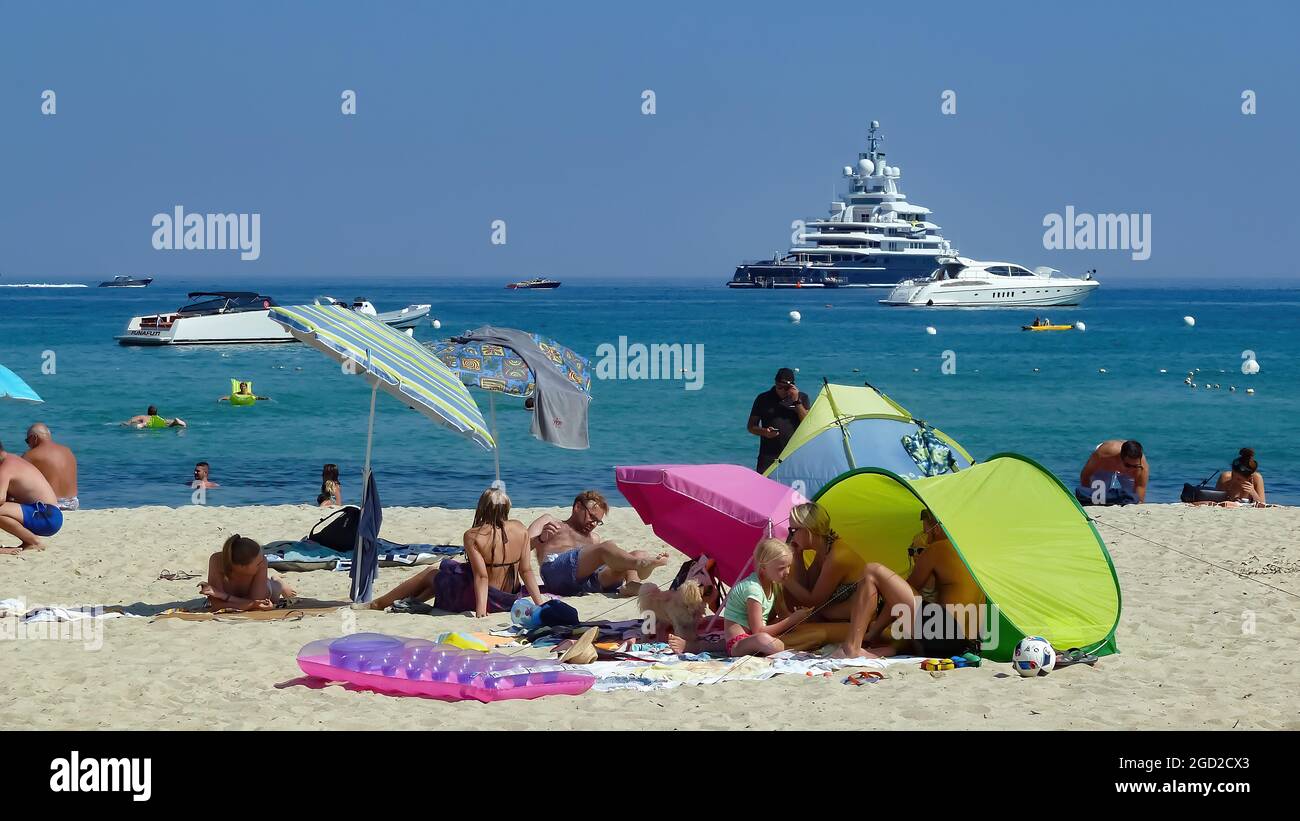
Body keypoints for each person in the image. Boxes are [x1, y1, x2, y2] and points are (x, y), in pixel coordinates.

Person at [367, 486, 546, 617]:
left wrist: (481, 611)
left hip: (484, 598)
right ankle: (413, 603)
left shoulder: (474, 535)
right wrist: (539, 603)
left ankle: (379, 603)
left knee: (432, 574)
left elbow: (482, 576)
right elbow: (526, 570)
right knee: (445, 570)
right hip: (508, 599)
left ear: (482, 507)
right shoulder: (521, 529)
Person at [528, 490, 667, 598]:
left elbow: (598, 568)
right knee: (606, 548)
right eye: (591, 517)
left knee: (637, 554)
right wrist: (540, 539)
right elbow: (520, 548)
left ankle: (631, 584)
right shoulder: (550, 522)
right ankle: (640, 564)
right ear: (577, 507)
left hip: (585, 582)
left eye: (597, 521)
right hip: (555, 572)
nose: (593, 524)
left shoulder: (593, 538)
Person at [905, 509, 985, 655]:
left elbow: (905, 590)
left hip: (947, 637)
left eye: (926, 532)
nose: (928, 540)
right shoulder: (972, 552)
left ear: (936, 528)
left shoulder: (937, 548)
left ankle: (870, 635)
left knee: (876, 572)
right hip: (974, 644)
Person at [722, 537, 810, 657]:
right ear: (763, 568)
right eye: (781, 568)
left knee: (798, 633)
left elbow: (783, 614)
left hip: (755, 638)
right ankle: (786, 648)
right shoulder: (753, 590)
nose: (788, 572)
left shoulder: (773, 584)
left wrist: (798, 616)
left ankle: (783, 647)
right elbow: (758, 630)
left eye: (789, 566)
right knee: (762, 639)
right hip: (739, 643)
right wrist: (792, 619)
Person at [779, 502, 864, 622]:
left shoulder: (836, 557)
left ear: (808, 529)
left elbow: (813, 603)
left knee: (805, 632)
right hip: (840, 617)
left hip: (860, 620)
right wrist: (798, 556)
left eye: (793, 530)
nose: (791, 535)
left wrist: (783, 578)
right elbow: (808, 587)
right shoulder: (824, 549)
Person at [832, 562, 921, 659]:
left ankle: (852, 648)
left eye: (918, 550)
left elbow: (816, 599)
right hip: (931, 637)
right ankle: (875, 637)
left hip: (933, 628)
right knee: (894, 590)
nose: (914, 555)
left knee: (872, 570)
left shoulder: (932, 552)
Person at [199, 534, 296, 611]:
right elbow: (217, 605)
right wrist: (251, 604)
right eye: (257, 563)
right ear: (241, 567)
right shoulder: (217, 561)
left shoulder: (262, 562)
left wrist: (222, 595)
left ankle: (279, 582)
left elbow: (258, 603)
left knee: (274, 594)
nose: (262, 563)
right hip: (245, 593)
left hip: (265, 588)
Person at [0, 438, 63, 554]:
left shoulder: (5, 467)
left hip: (45, 514)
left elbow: (1, 498)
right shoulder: (12, 459)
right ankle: (29, 542)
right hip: (50, 514)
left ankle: (34, 542)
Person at [747, 367, 810, 473]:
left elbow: (807, 423)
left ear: (792, 386)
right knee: (765, 487)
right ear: (775, 383)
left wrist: (797, 402)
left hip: (793, 454)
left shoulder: (802, 398)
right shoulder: (763, 398)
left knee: (793, 488)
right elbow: (751, 427)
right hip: (768, 456)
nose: (782, 391)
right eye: (779, 387)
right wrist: (765, 432)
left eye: (786, 388)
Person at [22, 423, 79, 511]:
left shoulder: (30, 455)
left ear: (34, 438)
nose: (28, 444)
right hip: (72, 503)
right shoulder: (68, 451)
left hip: (49, 504)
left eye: (27, 441)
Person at [1076, 439, 1148, 505]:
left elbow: (1140, 488)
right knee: (1097, 498)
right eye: (1128, 465)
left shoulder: (1141, 466)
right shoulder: (1103, 455)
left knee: (1132, 498)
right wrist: (1087, 496)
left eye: (1134, 466)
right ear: (1120, 458)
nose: (1131, 469)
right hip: (1105, 465)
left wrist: (1138, 504)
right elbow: (1086, 474)